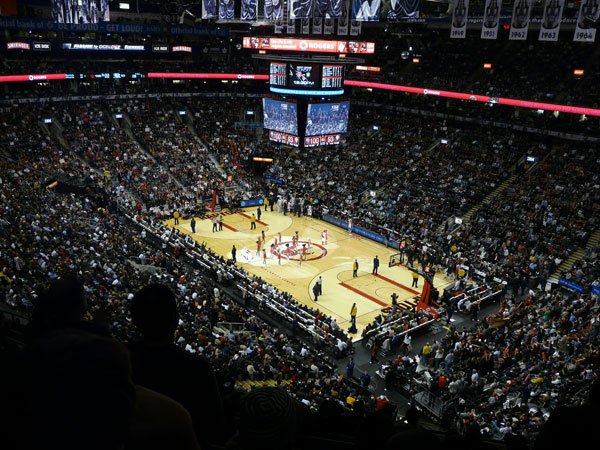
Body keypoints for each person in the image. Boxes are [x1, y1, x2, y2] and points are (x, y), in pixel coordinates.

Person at [128, 284, 227, 449]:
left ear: (134, 319)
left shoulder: (118, 358)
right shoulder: (196, 367)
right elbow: (217, 429)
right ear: (175, 319)